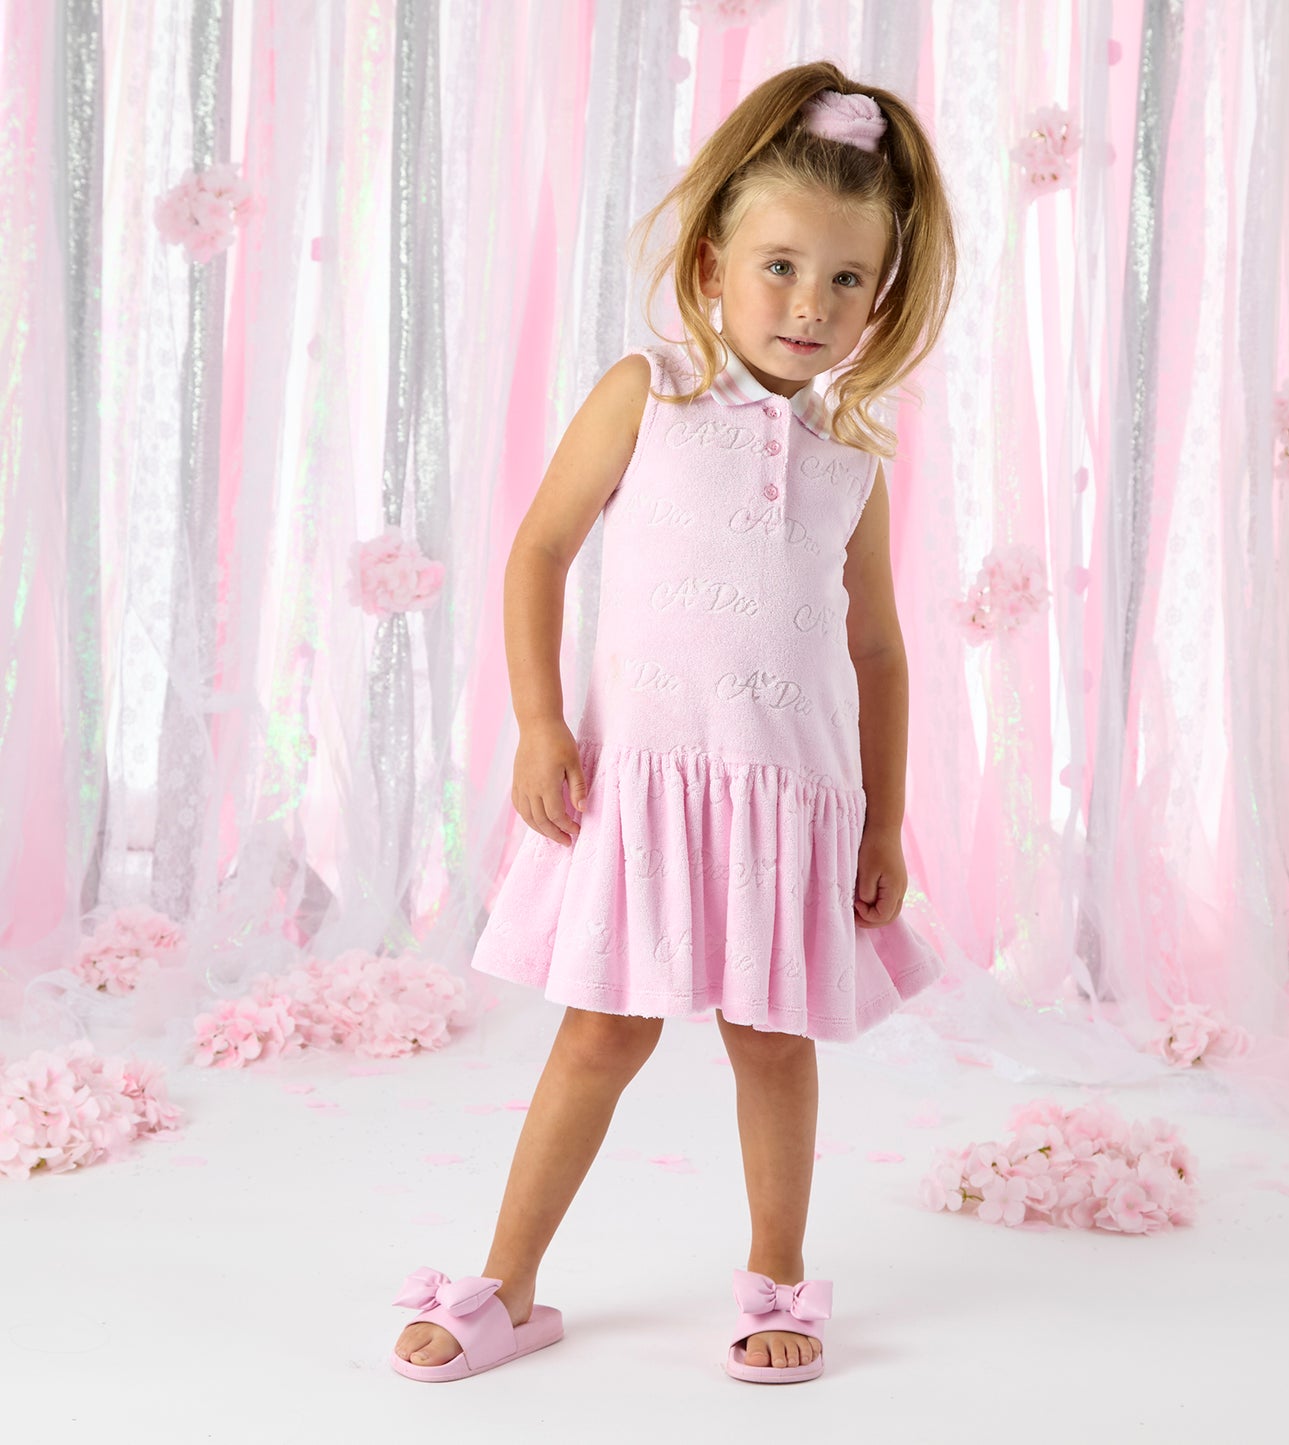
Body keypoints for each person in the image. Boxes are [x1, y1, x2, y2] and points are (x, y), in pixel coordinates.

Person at [390, 59, 957, 1386]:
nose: (809, 305)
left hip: (787, 796)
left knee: (772, 1040)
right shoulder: (646, 392)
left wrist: (881, 823)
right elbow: (539, 550)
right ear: (712, 265)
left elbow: (878, 649)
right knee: (602, 1031)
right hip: (641, 787)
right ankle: (507, 1285)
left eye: (846, 280)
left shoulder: (850, 462)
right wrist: (541, 723)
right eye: (780, 267)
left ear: (880, 297)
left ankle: (776, 1280)